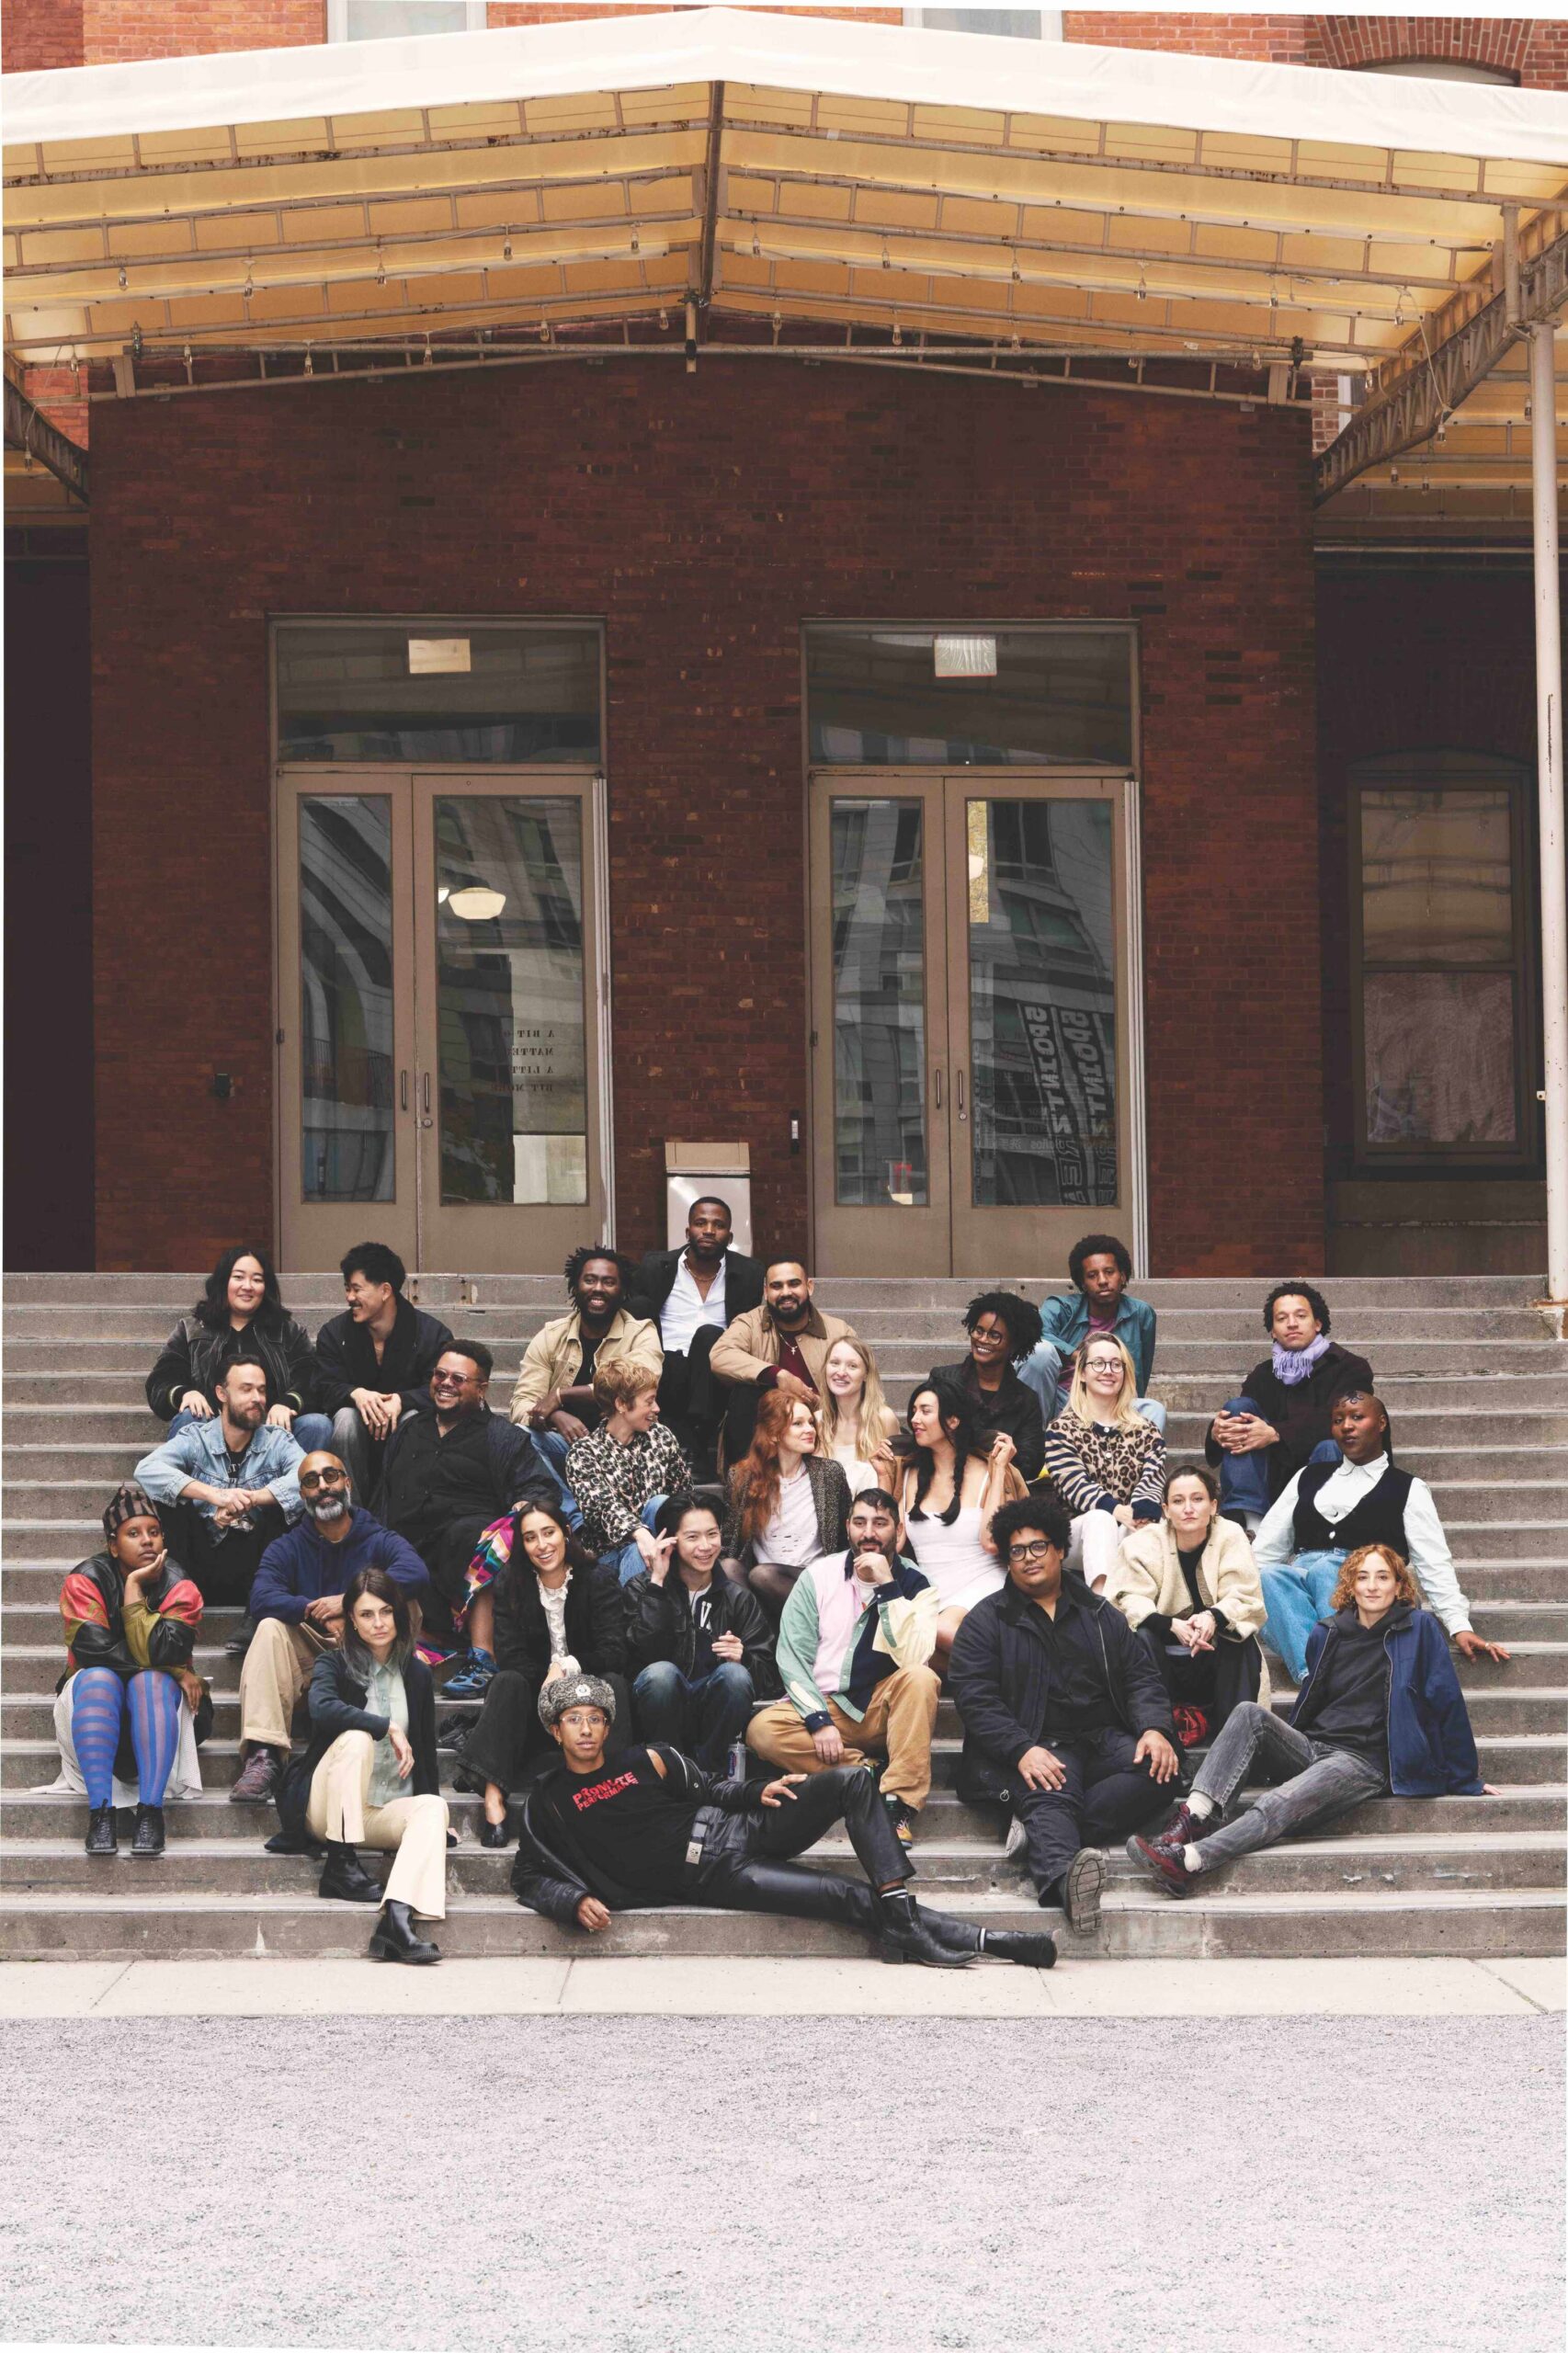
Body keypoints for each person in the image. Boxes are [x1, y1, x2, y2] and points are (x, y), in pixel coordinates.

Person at [511, 1676, 1058, 1970]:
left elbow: (713, 1787)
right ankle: (1000, 1941)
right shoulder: (548, 1803)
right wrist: (570, 1901)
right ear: (556, 1732)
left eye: (595, 1719)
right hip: (716, 1880)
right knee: (844, 1897)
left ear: (607, 1728)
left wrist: (759, 1789)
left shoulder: (647, 1759)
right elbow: (527, 1878)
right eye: (573, 1720)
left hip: (741, 1829)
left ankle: (902, 1919)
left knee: (852, 1780)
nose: (586, 1729)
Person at [1126, 1542, 1487, 1896]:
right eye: (1363, 1577)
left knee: (1279, 1802)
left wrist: (1464, 1776)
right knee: (1249, 1714)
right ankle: (1193, 1819)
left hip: (1363, 1760)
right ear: (1350, 1585)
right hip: (1313, 1746)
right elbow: (1315, 1696)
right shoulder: (1328, 1631)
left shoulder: (1420, 1628)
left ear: (1399, 1585)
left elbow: (1446, 1701)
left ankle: (1189, 1861)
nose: (1373, 1586)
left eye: (1383, 1577)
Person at [947, 1491, 1182, 1932]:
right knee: (1051, 1788)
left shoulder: (1098, 1613)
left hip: (1101, 1737)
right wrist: (1020, 1750)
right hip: (1039, 1741)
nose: (1028, 1558)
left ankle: (1045, 1826)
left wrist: (1154, 1729)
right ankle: (1064, 1887)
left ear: (1059, 1549)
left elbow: (1140, 1676)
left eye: (1038, 1547)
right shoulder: (986, 1620)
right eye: (1017, 1551)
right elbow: (974, 1696)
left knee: (1161, 1767)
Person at [1251, 1387, 1508, 1684]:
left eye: (1357, 1417)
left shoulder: (1408, 1489)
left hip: (1372, 1591)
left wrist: (1458, 1625)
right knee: (1268, 1576)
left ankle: (1329, 1676)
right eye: (1338, 1420)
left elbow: (1434, 1563)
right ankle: (1317, 1679)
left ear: (1382, 1423)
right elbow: (1264, 1553)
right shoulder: (1307, 1477)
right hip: (1304, 1589)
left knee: (1327, 1570)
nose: (1346, 1426)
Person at [229, 1450, 432, 1806]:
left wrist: (349, 1602)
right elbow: (261, 1597)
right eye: (311, 1481)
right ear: (302, 1494)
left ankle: (397, 1698)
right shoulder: (288, 1546)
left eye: (330, 1476)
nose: (323, 1486)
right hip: (318, 1654)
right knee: (270, 1628)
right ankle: (264, 1754)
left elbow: (417, 1573)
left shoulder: (378, 1537)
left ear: (347, 1482)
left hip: (373, 1654)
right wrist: (314, 1610)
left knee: (405, 1601)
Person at [267, 1566, 449, 1962]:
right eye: (367, 1614)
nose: (379, 1623)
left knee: (434, 1808)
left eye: (386, 1612)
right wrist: (385, 1727)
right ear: (351, 1619)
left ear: (399, 1615)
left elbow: (427, 1751)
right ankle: (340, 1865)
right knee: (354, 1738)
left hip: (382, 1810)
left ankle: (396, 1921)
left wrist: (434, 1820)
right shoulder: (334, 1663)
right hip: (328, 1811)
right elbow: (323, 1708)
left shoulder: (416, 1674)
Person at [746, 1487, 939, 1847]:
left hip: (886, 1708)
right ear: (848, 1527)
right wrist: (817, 1721)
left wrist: (887, 1587)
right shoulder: (818, 1576)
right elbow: (792, 1658)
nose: (869, 1533)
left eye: (880, 1523)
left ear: (898, 1531)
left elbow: (915, 1656)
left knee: (921, 1677)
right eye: (861, 1522)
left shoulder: (917, 1584)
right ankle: (865, 1771)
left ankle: (898, 1803)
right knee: (762, 1731)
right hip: (829, 1706)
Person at [378, 1341, 566, 1693]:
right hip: (413, 1563)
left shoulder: (502, 1437)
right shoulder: (409, 1429)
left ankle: (483, 1656)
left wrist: (518, 1508)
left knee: (475, 1532)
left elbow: (543, 1491)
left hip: (468, 1562)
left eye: (458, 1378)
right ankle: (425, 1644)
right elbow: (383, 1497)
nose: (445, 1383)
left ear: (481, 1389)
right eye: (440, 1374)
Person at [458, 1499, 631, 1847]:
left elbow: (615, 1652)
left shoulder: (598, 1578)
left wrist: (565, 1666)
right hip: (536, 1709)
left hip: (587, 1706)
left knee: (615, 1684)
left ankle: (612, 1794)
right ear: (522, 1545)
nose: (542, 1545)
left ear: (566, 1533)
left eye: (549, 1532)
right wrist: (547, 1681)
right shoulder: (511, 1583)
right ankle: (493, 1799)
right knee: (507, 1681)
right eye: (531, 1537)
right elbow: (511, 1656)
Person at [53, 1483, 207, 1858]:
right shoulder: (83, 1581)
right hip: (95, 1716)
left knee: (150, 1682)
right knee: (98, 1677)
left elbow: (164, 1649)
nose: (147, 1542)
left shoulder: (181, 1586)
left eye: (154, 1532)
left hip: (159, 1717)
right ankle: (100, 1813)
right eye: (133, 1534)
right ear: (112, 1544)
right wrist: (176, 1669)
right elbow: (93, 1650)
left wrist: (134, 1588)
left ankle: (150, 1813)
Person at [133, 1357, 305, 1652]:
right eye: (247, 1389)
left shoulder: (279, 1441)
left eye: (262, 1391)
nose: (257, 1399)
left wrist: (252, 1498)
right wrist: (215, 1497)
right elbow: (147, 1470)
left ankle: (259, 1614)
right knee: (170, 1500)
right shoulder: (195, 1438)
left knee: (288, 1508)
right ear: (222, 1394)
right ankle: (178, 1608)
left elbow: (306, 1477)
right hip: (201, 1563)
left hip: (257, 1568)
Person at [1104, 1463, 1270, 1747]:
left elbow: (1244, 1596)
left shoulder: (1231, 1535)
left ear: (1214, 1505)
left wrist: (1213, 1617)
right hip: (1161, 1664)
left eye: (1198, 1499)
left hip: (1212, 1660)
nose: (1188, 1508)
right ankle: (1160, 1737)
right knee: (1142, 1636)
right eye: (1178, 1501)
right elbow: (1124, 1598)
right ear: (1166, 1510)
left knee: (1240, 1639)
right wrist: (1169, 1625)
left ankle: (1236, 1745)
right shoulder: (1142, 1543)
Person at [624, 1494, 779, 1770]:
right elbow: (638, 1659)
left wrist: (742, 1659)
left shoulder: (738, 1598)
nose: (706, 1546)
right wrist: (658, 1582)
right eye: (692, 1537)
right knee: (661, 1674)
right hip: (660, 1706)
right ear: (671, 1541)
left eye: (712, 1534)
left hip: (714, 1708)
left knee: (735, 1676)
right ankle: (671, 1770)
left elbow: (767, 1676)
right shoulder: (642, 1588)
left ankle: (706, 1774)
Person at [1205, 1280, 1375, 1518]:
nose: (1292, 1324)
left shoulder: (1350, 1367)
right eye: (1282, 1318)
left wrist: (1275, 1433)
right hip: (1273, 1479)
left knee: (1331, 1446)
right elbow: (1247, 1425)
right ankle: (1250, 1523)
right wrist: (1218, 1431)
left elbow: (1346, 1421)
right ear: (1273, 1331)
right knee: (1237, 1409)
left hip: (1327, 1473)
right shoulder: (1263, 1374)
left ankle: (1314, 1528)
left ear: (1317, 1323)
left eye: (1301, 1316)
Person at [144, 1245, 330, 1452]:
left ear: (265, 1288)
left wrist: (287, 1403)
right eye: (239, 1277)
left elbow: (312, 1379)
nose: (248, 1286)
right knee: (190, 1416)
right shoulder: (192, 1329)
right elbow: (159, 1383)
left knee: (317, 1425)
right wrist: (184, 1394)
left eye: (257, 1279)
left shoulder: (287, 1331)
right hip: (213, 1434)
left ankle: (285, 1485)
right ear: (224, 1282)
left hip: (272, 1435)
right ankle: (193, 1484)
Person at [897, 1374, 1026, 1667]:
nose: (915, 1418)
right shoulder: (907, 1473)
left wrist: (998, 1472)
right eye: (914, 1410)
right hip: (931, 1593)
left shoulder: (986, 1470)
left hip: (982, 1583)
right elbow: (895, 1543)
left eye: (925, 1411)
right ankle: (1009, 1668)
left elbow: (992, 1541)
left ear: (953, 1420)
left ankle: (1019, 1669)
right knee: (914, 1655)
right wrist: (882, 1477)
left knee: (940, 1631)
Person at [631, 1198, 765, 1476]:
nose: (708, 1230)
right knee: (670, 1358)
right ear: (688, 1231)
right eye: (700, 1222)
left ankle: (691, 1439)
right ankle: (693, 1444)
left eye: (718, 1225)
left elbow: (747, 1329)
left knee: (708, 1336)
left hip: (713, 1373)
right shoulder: (656, 1267)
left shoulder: (749, 1273)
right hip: (663, 1368)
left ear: (729, 1236)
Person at [313, 1243, 455, 1502]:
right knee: (344, 1419)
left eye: (356, 1289)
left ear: (386, 1290)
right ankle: (349, 1515)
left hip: (406, 1436)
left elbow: (445, 1390)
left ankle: (401, 1513)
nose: (349, 1297)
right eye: (347, 1289)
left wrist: (402, 1401)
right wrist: (355, 1394)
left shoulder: (432, 1335)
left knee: (412, 1417)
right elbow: (321, 1385)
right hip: (355, 1434)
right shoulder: (334, 1334)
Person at [509, 1245, 663, 1474]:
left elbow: (633, 1385)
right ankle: (569, 1509)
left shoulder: (641, 1333)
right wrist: (554, 1416)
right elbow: (521, 1403)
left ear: (623, 1291)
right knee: (520, 1436)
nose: (598, 1289)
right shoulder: (551, 1336)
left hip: (623, 1446)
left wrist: (560, 1395)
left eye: (609, 1282)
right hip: (565, 1445)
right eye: (589, 1280)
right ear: (575, 1286)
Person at [1040, 1334, 1166, 1594]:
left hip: (1129, 1529)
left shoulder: (1146, 1430)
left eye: (1116, 1364)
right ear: (1083, 1373)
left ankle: (1140, 1610)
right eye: (1098, 1363)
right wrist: (1116, 1510)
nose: (1108, 1371)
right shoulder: (1061, 1430)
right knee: (1100, 1519)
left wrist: (1141, 1513)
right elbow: (1073, 1485)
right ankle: (1104, 1606)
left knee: (1150, 1529)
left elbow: (1152, 1479)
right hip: (1077, 1535)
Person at [710, 1258, 857, 1465]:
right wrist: (777, 1375)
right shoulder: (750, 1323)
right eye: (776, 1286)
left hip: (818, 1428)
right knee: (746, 1393)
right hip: (765, 1434)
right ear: (765, 1291)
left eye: (794, 1284)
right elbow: (720, 1355)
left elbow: (859, 1378)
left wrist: (818, 1404)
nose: (786, 1292)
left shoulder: (839, 1331)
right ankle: (744, 1481)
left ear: (809, 1286)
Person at [723, 1388, 850, 1617]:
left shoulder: (829, 1474)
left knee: (763, 1575)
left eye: (811, 1422)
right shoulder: (743, 1478)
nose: (810, 1429)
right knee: (730, 1567)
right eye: (798, 1424)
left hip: (815, 1579)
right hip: (763, 1585)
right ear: (773, 1434)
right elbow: (730, 1540)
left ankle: (763, 1640)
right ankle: (763, 1637)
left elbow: (844, 1537)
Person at [564, 1358, 693, 1585]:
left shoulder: (662, 1437)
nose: (657, 1409)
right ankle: (639, 1616)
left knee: (660, 1503)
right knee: (636, 1550)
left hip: (664, 1545)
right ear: (622, 1405)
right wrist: (640, 1534)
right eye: (650, 1401)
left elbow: (683, 1494)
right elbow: (602, 1508)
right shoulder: (584, 1452)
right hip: (609, 1555)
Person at [1020, 1234, 1164, 1434]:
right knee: (1040, 1352)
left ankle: (1129, 1460)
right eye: (1092, 1275)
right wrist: (1075, 1354)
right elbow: (1035, 1336)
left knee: (1154, 1409)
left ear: (1122, 1276)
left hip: (1109, 1405)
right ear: (1083, 1283)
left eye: (1109, 1272)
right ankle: (1033, 1443)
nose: (1102, 1281)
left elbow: (1139, 1372)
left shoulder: (1141, 1314)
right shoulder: (1061, 1308)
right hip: (1060, 1401)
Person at [928, 1290, 1047, 1481]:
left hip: (997, 1487)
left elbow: (1031, 1465)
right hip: (945, 1480)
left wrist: (1007, 1454)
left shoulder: (1026, 1399)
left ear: (1013, 1345)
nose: (982, 1340)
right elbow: (925, 1434)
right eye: (978, 1330)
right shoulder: (943, 1379)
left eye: (994, 1335)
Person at [819, 1335, 900, 1498]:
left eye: (852, 1366)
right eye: (834, 1363)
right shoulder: (816, 1422)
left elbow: (898, 1484)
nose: (841, 1372)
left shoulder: (884, 1419)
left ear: (866, 1375)